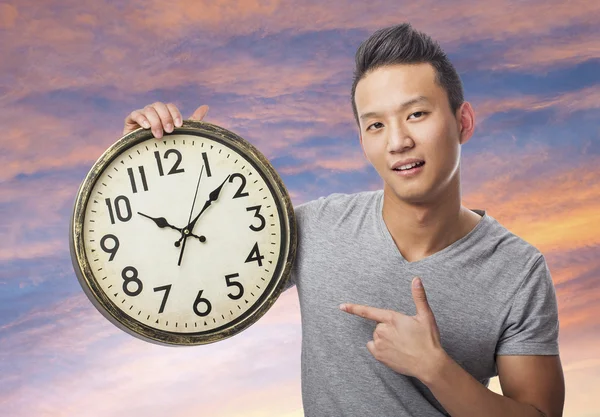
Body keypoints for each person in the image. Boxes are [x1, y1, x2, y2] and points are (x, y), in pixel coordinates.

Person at [123, 23, 564, 417]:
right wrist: (145, 164)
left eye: (416, 114)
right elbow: (192, 275)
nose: (398, 141)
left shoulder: (518, 271)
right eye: (375, 125)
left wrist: (436, 369)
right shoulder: (313, 230)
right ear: (362, 140)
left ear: (462, 122)